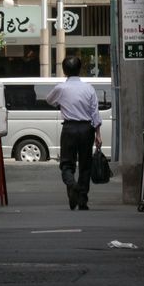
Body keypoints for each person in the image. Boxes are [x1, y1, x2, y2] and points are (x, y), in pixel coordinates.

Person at [46, 55, 103, 210]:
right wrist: (98, 134)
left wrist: (60, 103)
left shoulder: (60, 88)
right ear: (80, 69)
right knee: (85, 165)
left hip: (69, 128)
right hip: (87, 129)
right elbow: (95, 113)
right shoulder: (89, 88)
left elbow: (49, 100)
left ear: (64, 71)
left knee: (66, 163)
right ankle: (82, 200)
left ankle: (72, 186)